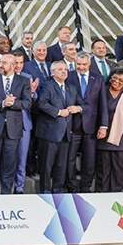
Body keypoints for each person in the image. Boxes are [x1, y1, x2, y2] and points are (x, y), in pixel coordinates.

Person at [0, 53, 31, 194]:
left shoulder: (23, 81)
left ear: (13, 65)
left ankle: (6, 191)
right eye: (0, 62)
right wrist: (3, 103)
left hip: (13, 128)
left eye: (4, 62)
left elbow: (27, 103)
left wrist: (13, 103)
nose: (0, 64)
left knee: (9, 162)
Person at [35, 61, 83, 193]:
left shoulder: (71, 88)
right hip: (49, 133)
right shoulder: (47, 86)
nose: (64, 72)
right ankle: (45, 191)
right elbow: (41, 104)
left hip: (66, 133)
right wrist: (58, 112)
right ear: (53, 72)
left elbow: (83, 104)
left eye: (66, 69)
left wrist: (77, 108)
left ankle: (58, 191)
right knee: (46, 165)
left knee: (61, 166)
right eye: (60, 69)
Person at [65, 52, 108, 193]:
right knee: (69, 158)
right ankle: (71, 185)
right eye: (79, 64)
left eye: (84, 64)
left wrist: (103, 125)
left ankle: (85, 186)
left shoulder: (98, 78)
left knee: (89, 159)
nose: (81, 67)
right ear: (75, 62)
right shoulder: (68, 76)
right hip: (71, 125)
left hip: (91, 126)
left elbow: (102, 103)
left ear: (89, 64)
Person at [12, 51, 37, 193]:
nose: (18, 66)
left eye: (21, 63)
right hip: (8, 122)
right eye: (16, 62)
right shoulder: (3, 78)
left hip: (24, 122)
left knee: (22, 156)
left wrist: (32, 92)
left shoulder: (28, 77)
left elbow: (34, 101)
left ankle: (19, 187)